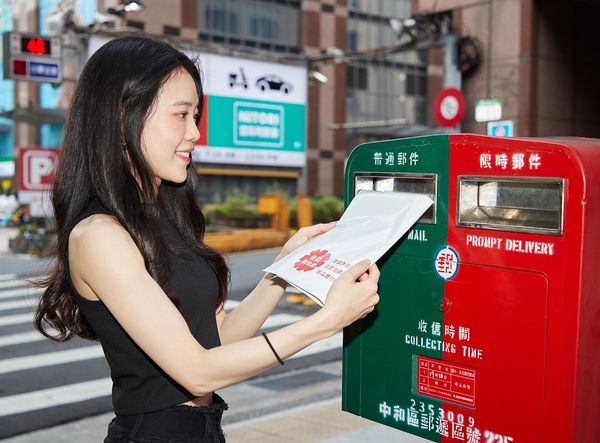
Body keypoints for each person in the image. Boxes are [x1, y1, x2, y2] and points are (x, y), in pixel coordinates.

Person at [34, 35, 380, 443]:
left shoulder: (164, 216)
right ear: (121, 117)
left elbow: (218, 343)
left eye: (195, 115)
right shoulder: (98, 235)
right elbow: (196, 370)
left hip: (204, 430)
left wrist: (282, 271)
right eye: (180, 115)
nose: (195, 132)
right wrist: (326, 321)